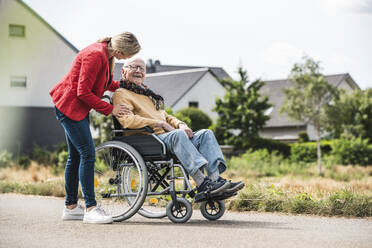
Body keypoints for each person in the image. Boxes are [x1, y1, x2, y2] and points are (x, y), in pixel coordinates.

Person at [112, 58, 244, 198]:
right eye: (134, 67)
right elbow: (128, 120)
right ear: (123, 71)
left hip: (165, 139)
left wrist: (181, 124)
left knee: (206, 134)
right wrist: (159, 124)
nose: (139, 71)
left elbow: (166, 116)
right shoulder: (121, 94)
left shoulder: (146, 94)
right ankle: (202, 184)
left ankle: (215, 181)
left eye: (142, 69)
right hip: (146, 139)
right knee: (178, 135)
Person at [50, 32, 141, 224]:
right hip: (69, 107)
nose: (126, 59)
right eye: (126, 55)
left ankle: (71, 207)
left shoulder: (106, 55)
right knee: (87, 154)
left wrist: (124, 84)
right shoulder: (95, 55)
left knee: (75, 157)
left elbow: (104, 84)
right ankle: (90, 209)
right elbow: (82, 92)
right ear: (118, 50)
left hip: (75, 109)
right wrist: (111, 109)